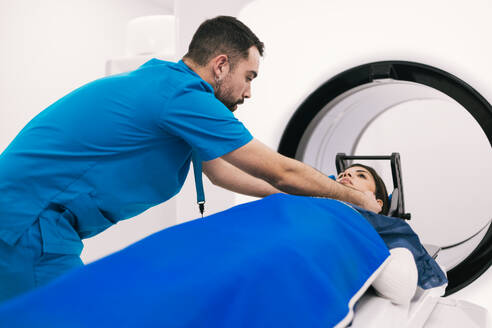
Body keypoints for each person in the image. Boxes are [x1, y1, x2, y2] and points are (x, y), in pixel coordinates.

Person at [0, 16, 380, 302]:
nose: (248, 92)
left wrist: (315, 198)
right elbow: (279, 171)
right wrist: (353, 198)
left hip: (34, 222)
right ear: (219, 66)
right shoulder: (182, 96)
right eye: (249, 77)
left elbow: (223, 173)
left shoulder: (168, 86)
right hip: (26, 225)